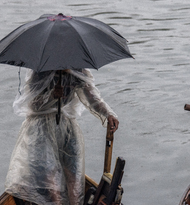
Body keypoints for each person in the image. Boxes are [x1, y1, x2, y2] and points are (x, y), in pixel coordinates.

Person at [5, 69, 119, 204]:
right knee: (51, 178)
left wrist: (109, 114)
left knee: (75, 177)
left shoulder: (78, 69)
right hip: (42, 127)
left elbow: (92, 96)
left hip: (67, 126)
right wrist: (50, 95)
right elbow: (31, 103)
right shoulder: (39, 71)